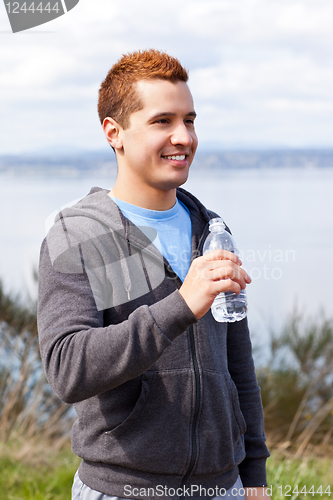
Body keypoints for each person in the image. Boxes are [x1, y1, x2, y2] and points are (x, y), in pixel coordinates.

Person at [38, 49, 271, 500]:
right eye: (162, 121)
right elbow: (68, 367)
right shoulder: (78, 234)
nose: (183, 136)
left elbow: (238, 367)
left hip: (224, 487)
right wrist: (181, 305)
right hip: (122, 489)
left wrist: (254, 473)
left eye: (190, 120)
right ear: (115, 132)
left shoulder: (213, 229)